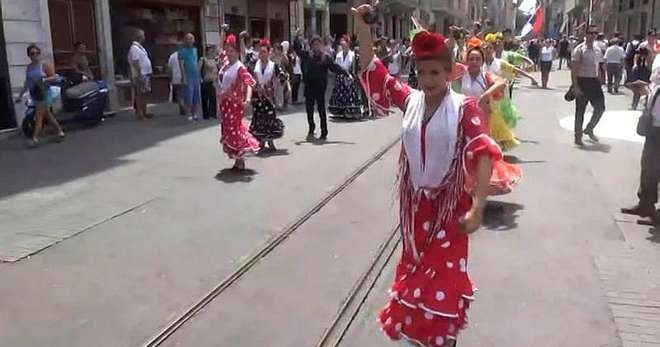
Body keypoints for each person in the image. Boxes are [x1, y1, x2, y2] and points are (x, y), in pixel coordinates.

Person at [353, 5, 502, 346]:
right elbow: (374, 72)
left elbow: (483, 154)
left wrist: (478, 207)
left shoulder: (464, 107)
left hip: (449, 213)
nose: (428, 80)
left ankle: (442, 340)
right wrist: (364, 30)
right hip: (416, 212)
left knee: (440, 288)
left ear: (449, 73)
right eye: (422, 73)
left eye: (435, 73)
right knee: (417, 284)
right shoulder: (412, 101)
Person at [621, 53, 660, 222]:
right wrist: (646, 89)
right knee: (648, 166)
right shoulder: (658, 58)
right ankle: (646, 203)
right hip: (653, 122)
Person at [293, 30, 349, 140]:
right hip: (309, 86)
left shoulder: (326, 57)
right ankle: (311, 127)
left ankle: (324, 131)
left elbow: (334, 68)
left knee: (321, 109)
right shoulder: (307, 55)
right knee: (309, 109)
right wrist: (296, 38)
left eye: (318, 44)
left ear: (322, 45)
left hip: (320, 87)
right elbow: (297, 50)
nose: (316, 46)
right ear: (311, 46)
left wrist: (345, 72)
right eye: (314, 44)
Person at [217, 30, 260, 170]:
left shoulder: (239, 67)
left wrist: (247, 99)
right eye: (227, 50)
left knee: (235, 129)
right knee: (227, 130)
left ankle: (240, 158)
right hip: (224, 103)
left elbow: (248, 83)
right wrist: (223, 32)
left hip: (235, 104)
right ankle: (237, 159)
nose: (228, 53)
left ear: (237, 52)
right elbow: (219, 49)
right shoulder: (225, 62)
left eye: (231, 51)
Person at [15, 44, 65, 148]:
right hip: (34, 93)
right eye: (32, 53)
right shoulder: (29, 67)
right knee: (47, 115)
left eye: (37, 53)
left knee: (39, 116)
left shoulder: (44, 65)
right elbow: (27, 82)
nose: (35, 55)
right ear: (29, 55)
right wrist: (20, 95)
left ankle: (35, 139)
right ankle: (60, 132)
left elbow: (55, 77)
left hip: (44, 93)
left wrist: (44, 79)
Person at [571, 26, 606, 146]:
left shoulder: (597, 49)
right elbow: (574, 69)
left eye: (596, 33)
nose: (594, 35)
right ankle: (578, 136)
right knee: (580, 110)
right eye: (591, 33)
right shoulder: (579, 49)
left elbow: (600, 65)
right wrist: (575, 86)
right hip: (582, 81)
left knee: (600, 108)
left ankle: (590, 128)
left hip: (594, 81)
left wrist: (602, 78)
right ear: (586, 34)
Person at [248, 38, 285, 151]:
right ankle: (261, 142)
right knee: (259, 118)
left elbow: (283, 77)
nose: (262, 54)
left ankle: (270, 141)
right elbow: (248, 77)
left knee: (269, 118)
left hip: (269, 96)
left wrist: (274, 83)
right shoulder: (254, 64)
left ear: (269, 53)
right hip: (258, 95)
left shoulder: (273, 65)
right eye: (260, 51)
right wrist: (255, 85)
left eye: (264, 52)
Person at [328, 35, 363, 119]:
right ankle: (339, 111)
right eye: (341, 44)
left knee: (350, 94)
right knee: (339, 94)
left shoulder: (352, 55)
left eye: (344, 44)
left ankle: (351, 110)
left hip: (349, 76)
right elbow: (336, 65)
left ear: (348, 44)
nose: (343, 46)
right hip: (340, 77)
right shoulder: (339, 55)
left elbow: (355, 67)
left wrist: (352, 75)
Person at [128, 29, 153, 120]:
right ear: (139, 37)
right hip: (140, 74)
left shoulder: (139, 47)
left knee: (144, 93)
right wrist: (139, 74)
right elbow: (135, 62)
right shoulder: (134, 48)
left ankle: (144, 112)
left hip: (145, 74)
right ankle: (140, 113)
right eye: (143, 36)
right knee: (140, 94)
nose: (144, 38)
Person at [179, 33, 202, 121]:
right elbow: (181, 64)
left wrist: (199, 75)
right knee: (189, 96)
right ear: (185, 40)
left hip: (195, 75)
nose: (190, 40)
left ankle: (195, 113)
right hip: (188, 76)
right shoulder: (182, 51)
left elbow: (196, 63)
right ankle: (189, 113)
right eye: (188, 38)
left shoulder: (195, 50)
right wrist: (183, 76)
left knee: (196, 95)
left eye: (191, 38)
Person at [167, 42, 186, 116]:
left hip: (175, 77)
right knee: (185, 93)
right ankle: (184, 105)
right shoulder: (185, 55)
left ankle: (181, 105)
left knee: (179, 93)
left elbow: (169, 68)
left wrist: (170, 77)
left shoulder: (172, 56)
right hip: (184, 77)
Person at [200, 45, 218, 120]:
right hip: (205, 81)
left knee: (213, 98)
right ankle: (205, 115)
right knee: (205, 98)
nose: (212, 53)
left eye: (213, 51)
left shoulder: (215, 60)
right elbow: (198, 69)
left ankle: (213, 114)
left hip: (213, 81)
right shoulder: (203, 59)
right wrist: (200, 78)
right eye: (210, 51)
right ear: (207, 52)